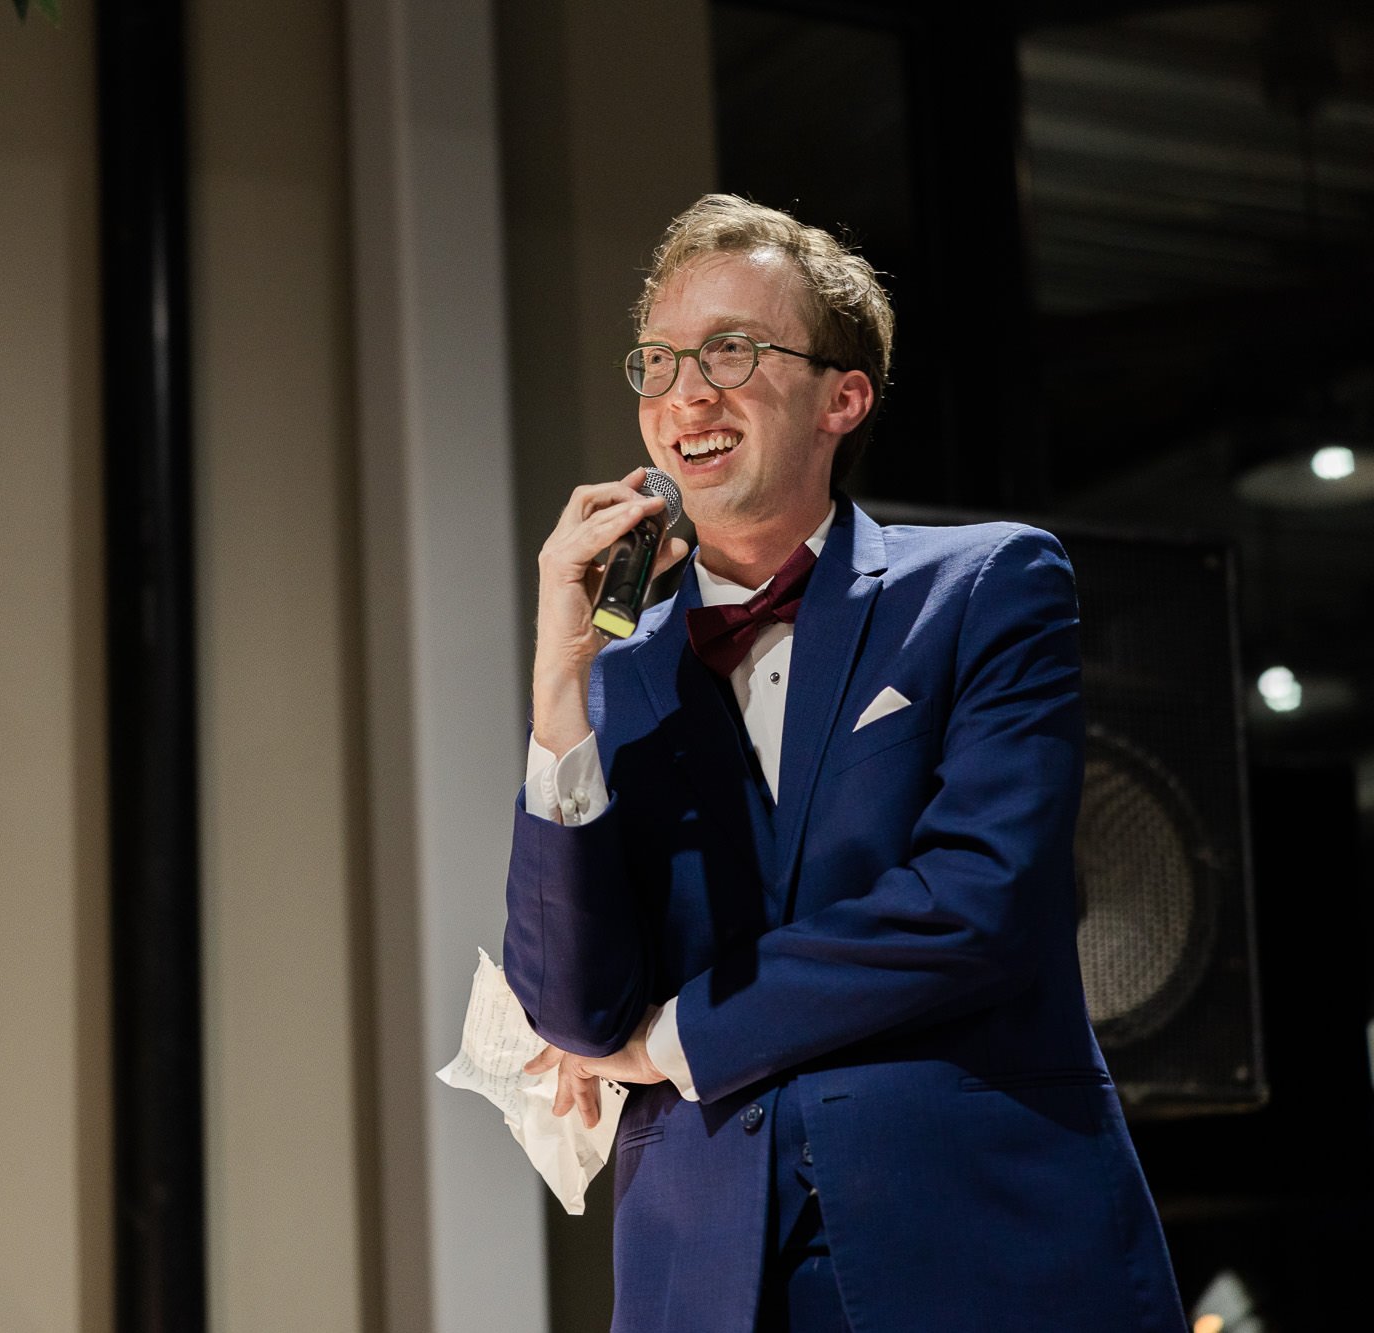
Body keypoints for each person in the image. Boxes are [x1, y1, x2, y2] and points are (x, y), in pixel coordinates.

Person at [501, 194, 1186, 1333]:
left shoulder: (983, 586)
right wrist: (557, 688)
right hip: (705, 1279)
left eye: (730, 349)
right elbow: (574, 1010)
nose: (687, 393)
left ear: (841, 397)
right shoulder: (615, 674)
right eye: (659, 361)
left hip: (980, 1250)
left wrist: (674, 1039)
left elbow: (974, 903)